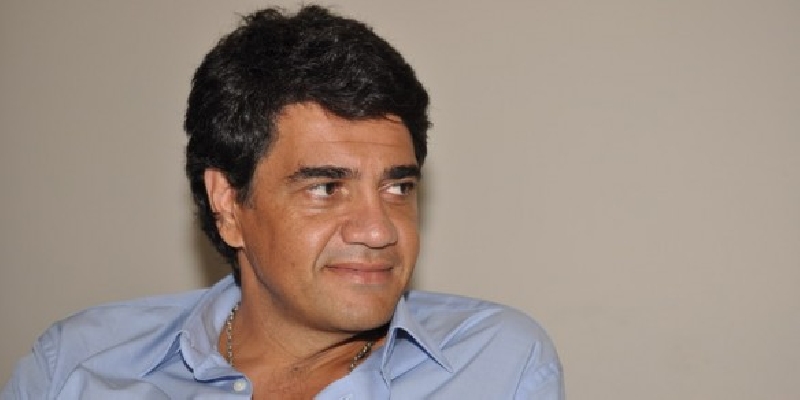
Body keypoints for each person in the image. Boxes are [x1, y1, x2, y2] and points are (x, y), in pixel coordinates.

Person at [2, 5, 563, 399]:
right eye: (326, 188)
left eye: (398, 188)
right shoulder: (74, 365)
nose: (379, 230)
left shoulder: (495, 364)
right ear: (228, 204)